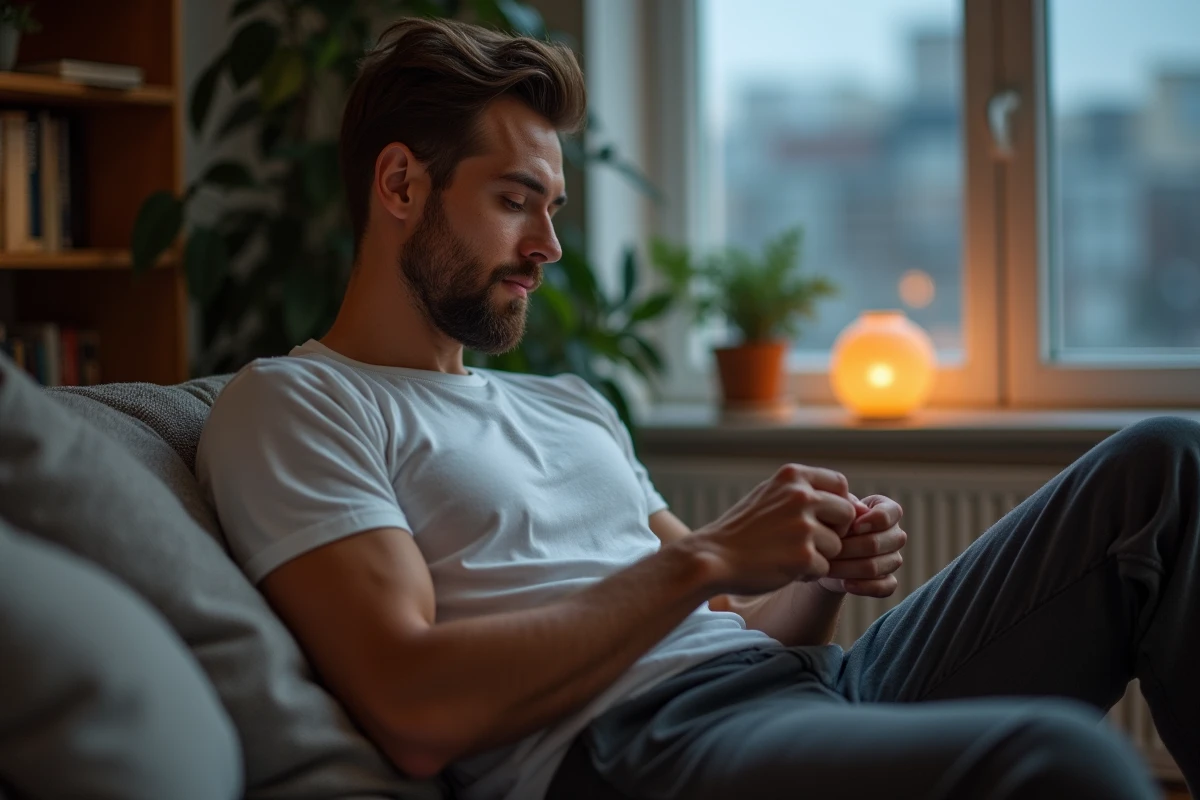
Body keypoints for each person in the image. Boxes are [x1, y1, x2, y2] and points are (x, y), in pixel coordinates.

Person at [197, 16, 1199, 800]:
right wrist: (709, 552)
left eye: (554, 207)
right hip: (642, 742)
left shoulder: (571, 403)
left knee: (1163, 470)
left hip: (801, 690)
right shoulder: (298, 402)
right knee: (1060, 762)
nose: (549, 243)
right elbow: (412, 699)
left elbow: (727, 618)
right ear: (400, 183)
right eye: (515, 199)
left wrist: (816, 569)